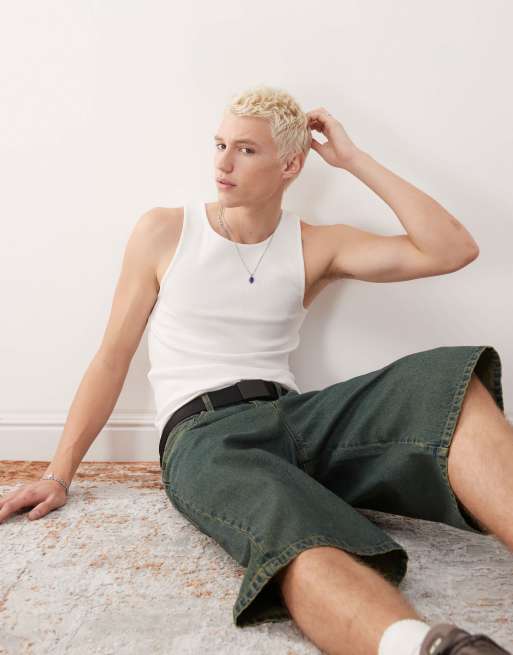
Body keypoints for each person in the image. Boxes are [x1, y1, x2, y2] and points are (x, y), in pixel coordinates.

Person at [0, 85, 511, 655]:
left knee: (444, 386)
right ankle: (429, 648)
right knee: (292, 528)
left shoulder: (315, 245)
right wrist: (59, 474)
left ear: (290, 165)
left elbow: (451, 249)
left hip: (294, 416)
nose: (223, 163)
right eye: (220, 144)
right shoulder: (165, 231)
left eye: (245, 150)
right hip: (204, 437)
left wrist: (353, 160)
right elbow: (111, 357)